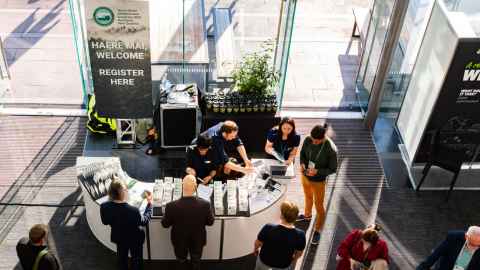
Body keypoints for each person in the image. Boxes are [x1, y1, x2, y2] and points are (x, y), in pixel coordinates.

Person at [162, 175, 215, 270]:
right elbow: (210, 222)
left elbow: (165, 224)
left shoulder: (171, 206)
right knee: (196, 260)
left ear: (182, 186)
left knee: (181, 260)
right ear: (195, 186)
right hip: (198, 240)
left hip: (179, 240)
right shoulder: (205, 205)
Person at [100, 178, 153, 270]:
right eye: (125, 189)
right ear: (122, 192)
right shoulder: (133, 211)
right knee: (136, 259)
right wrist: (149, 205)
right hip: (135, 239)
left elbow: (105, 222)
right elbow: (144, 221)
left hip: (119, 237)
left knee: (121, 258)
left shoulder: (104, 207)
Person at [298, 123, 337, 245]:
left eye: (317, 141)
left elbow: (333, 169)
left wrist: (318, 171)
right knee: (307, 197)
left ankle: (318, 229)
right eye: (313, 140)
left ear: (324, 137)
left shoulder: (331, 149)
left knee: (319, 205)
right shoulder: (308, 139)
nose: (313, 142)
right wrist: (302, 164)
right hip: (305, 176)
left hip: (319, 181)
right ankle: (307, 215)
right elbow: (302, 154)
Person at [253, 201, 306, 270]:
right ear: (296, 217)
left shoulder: (268, 227)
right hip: (283, 266)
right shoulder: (300, 235)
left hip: (264, 263)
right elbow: (299, 253)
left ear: (282, 215)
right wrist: (293, 260)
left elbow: (258, 243)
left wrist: (255, 249)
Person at [186, 134, 253, 185]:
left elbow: (214, 169)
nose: (202, 152)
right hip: (194, 179)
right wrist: (190, 170)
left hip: (209, 180)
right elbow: (187, 166)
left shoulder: (214, 151)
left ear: (209, 147)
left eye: (205, 150)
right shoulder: (191, 150)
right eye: (200, 150)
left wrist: (209, 176)